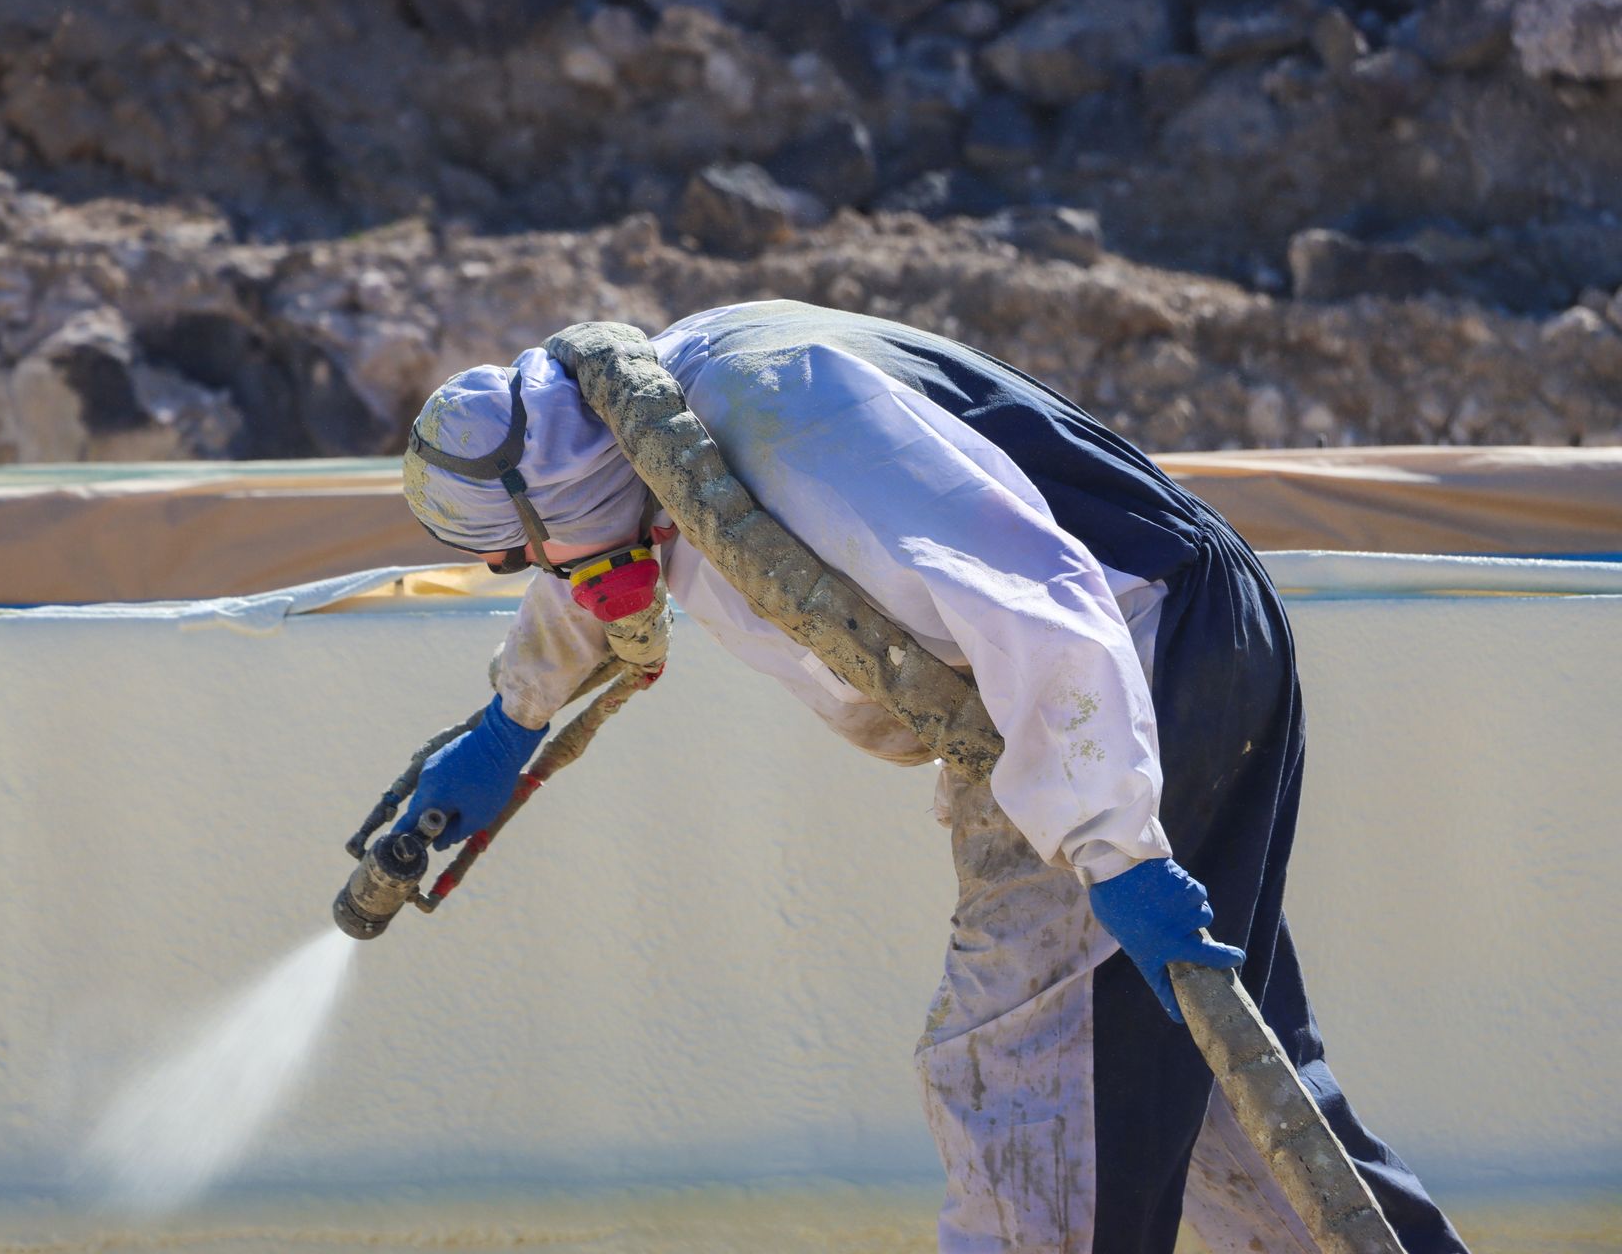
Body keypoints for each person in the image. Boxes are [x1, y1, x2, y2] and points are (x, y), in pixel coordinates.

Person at [395, 299, 1467, 1254]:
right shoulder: (641, 426)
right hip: (1114, 677)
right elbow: (595, 551)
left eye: (520, 554)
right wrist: (509, 723)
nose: (540, 573)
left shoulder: (784, 420)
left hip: (1120, 674)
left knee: (1031, 1081)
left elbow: (1032, 605)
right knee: (1218, 1088)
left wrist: (1115, 847)